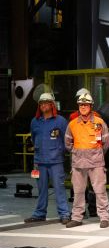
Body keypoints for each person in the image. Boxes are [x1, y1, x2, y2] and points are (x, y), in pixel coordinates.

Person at [64, 93, 109, 228]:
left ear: (91, 106)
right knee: (78, 191)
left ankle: (104, 217)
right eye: (81, 105)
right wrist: (77, 152)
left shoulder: (99, 122)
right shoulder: (72, 124)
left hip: (96, 162)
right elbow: (67, 143)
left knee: (100, 190)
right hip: (78, 163)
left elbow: (107, 142)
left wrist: (97, 153)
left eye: (85, 105)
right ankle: (77, 217)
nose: (83, 107)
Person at [24, 93, 71, 224]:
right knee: (41, 189)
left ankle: (64, 214)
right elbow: (34, 139)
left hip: (56, 162)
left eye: (46, 103)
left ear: (52, 105)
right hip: (40, 162)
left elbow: (67, 139)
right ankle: (40, 214)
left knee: (59, 188)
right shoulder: (35, 122)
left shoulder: (60, 121)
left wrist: (60, 151)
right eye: (41, 103)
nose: (43, 105)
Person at [68, 88, 99, 218]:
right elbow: (69, 139)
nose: (83, 104)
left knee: (92, 184)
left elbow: (102, 140)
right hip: (78, 154)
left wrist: (97, 153)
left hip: (92, 155)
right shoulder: (73, 117)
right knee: (78, 184)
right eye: (81, 101)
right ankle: (80, 210)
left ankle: (92, 208)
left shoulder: (97, 117)